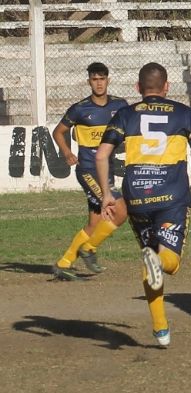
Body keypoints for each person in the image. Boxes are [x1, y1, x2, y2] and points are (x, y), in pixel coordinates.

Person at [95, 62, 191, 347]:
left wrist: (106, 194)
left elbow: (102, 156)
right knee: (168, 263)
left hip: (136, 196)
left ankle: (161, 329)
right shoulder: (183, 113)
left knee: (149, 258)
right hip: (172, 195)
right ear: (167, 87)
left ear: (138, 88)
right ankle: (159, 263)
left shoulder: (124, 114)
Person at [52, 62, 129, 281]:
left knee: (95, 223)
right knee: (119, 208)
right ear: (89, 82)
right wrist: (67, 152)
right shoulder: (80, 109)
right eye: (94, 79)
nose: (99, 83)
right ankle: (90, 249)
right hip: (87, 170)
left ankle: (63, 263)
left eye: (102, 78)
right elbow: (58, 132)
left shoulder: (120, 106)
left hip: (107, 170)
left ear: (108, 80)